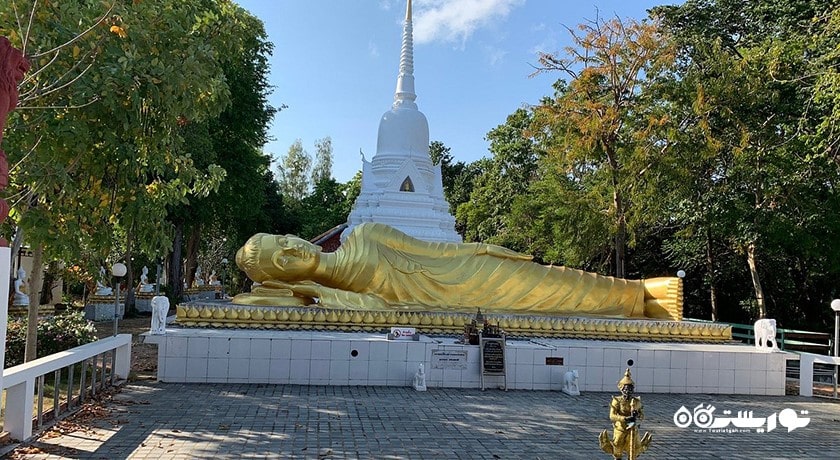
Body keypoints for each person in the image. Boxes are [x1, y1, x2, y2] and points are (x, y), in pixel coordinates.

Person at [233, 222, 682, 320]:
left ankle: (639, 292)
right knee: (549, 301)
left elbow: (431, 247)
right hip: (445, 303)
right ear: (286, 277)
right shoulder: (334, 295)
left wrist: (483, 246)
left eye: (283, 241)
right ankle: (637, 300)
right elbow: (378, 307)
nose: (293, 250)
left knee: (546, 281)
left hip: (464, 270)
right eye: (283, 260)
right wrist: (306, 291)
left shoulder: (365, 232)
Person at [599, 368, 652, 459]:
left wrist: (637, 415)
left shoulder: (636, 401)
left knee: (633, 451)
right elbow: (612, 416)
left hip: (632, 429)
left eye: (630, 389)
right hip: (621, 429)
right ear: (622, 389)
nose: (628, 391)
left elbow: (642, 416)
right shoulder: (617, 400)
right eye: (626, 389)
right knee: (617, 451)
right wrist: (624, 418)